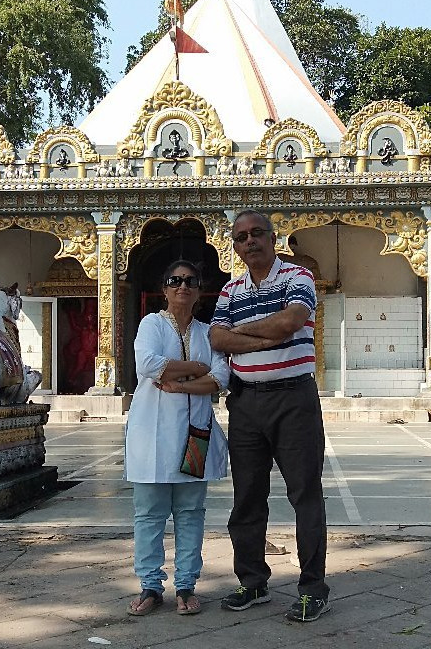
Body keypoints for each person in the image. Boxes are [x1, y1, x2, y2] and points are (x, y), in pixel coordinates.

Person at [209, 209, 330, 623]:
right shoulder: (229, 290)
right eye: (240, 237)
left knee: (305, 495)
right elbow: (216, 337)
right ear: (236, 246)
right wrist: (267, 336)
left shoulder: (298, 277)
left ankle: (313, 588)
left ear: (273, 237)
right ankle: (252, 581)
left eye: (257, 233)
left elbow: (293, 321)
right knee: (247, 498)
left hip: (293, 400)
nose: (249, 242)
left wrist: (245, 339)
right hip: (245, 404)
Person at [124, 260, 230, 617]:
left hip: (196, 434)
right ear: (165, 289)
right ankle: (150, 586)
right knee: (150, 514)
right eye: (175, 281)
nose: (182, 286)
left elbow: (222, 378)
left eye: (190, 281)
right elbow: (148, 365)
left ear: (199, 291)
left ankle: (186, 585)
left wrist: (179, 382)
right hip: (151, 435)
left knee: (190, 513)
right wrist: (197, 369)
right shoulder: (152, 324)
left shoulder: (207, 332)